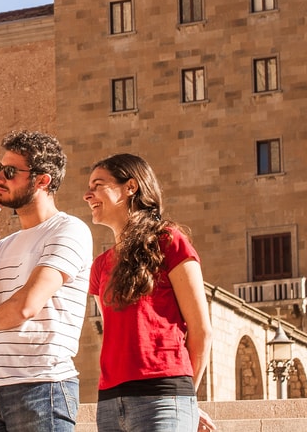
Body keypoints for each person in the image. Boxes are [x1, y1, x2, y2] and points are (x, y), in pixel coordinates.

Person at [0, 130, 93, 432]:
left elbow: (26, 305)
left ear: (42, 180)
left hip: (43, 387)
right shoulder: (4, 244)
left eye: (9, 172)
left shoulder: (70, 230)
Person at [83, 153, 214, 432]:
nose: (87, 195)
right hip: (110, 401)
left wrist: (186, 400)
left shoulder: (169, 241)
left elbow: (202, 330)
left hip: (163, 394)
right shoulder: (99, 266)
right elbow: (114, 336)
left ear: (131, 187)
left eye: (98, 185)